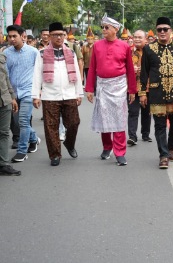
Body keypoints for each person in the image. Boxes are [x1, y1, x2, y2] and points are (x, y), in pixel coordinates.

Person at [140, 17, 173, 169]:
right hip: (157, 91)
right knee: (159, 125)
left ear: (170, 31)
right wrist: (142, 92)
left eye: (165, 29)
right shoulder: (149, 48)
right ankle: (163, 155)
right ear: (156, 31)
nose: (162, 32)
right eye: (160, 30)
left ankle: (171, 147)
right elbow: (144, 73)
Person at [85, 16, 136, 166]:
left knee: (119, 119)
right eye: (103, 27)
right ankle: (107, 147)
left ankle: (120, 152)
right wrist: (89, 88)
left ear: (116, 29)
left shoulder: (125, 46)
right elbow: (92, 67)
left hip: (119, 86)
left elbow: (130, 71)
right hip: (102, 86)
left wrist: (132, 90)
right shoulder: (97, 46)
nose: (103, 30)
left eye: (107, 27)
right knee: (104, 118)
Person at [32, 22, 83, 166]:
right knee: (51, 126)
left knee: (74, 123)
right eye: (55, 35)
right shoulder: (41, 54)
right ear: (49, 37)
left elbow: (77, 75)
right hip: (49, 95)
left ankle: (69, 143)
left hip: (69, 94)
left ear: (64, 36)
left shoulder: (70, 52)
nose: (59, 38)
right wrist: (36, 95)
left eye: (61, 35)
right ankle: (55, 155)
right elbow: (37, 75)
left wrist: (79, 93)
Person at [4, 25, 41, 163]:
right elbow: (5, 75)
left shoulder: (33, 52)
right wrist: (9, 94)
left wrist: (38, 93)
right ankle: (33, 139)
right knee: (18, 122)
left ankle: (22, 151)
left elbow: (39, 73)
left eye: (15, 36)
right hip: (13, 94)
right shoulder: (6, 53)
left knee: (23, 121)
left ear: (22, 36)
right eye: (10, 36)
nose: (12, 39)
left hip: (28, 92)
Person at [127, 30, 152, 146]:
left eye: (139, 37)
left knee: (146, 111)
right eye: (135, 37)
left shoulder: (151, 51)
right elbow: (122, 66)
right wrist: (131, 70)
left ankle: (145, 134)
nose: (137, 39)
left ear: (145, 39)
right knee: (133, 111)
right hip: (133, 86)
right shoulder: (128, 51)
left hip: (148, 86)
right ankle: (132, 136)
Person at [0, 51, 20, 175]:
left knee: (4, 133)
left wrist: (12, 97)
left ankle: (3, 164)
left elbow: (6, 77)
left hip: (4, 100)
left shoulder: (1, 56)